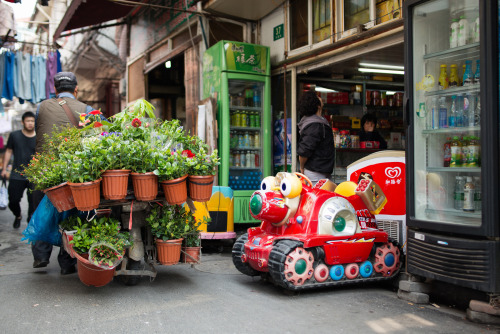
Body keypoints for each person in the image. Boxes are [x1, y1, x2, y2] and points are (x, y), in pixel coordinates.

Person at [32, 71, 94, 274]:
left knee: (44, 211)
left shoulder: (41, 107)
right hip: (73, 170)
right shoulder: (87, 109)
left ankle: (41, 255)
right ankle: (67, 263)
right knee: (73, 214)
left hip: (44, 170)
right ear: (76, 89)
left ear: (55, 90)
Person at [1, 111, 36, 229]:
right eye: (28, 121)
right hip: (17, 174)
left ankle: (30, 218)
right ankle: (18, 215)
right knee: (13, 200)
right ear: (22, 122)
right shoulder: (14, 135)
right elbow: (9, 151)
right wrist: (4, 169)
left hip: (34, 175)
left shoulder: (39, 137)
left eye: (32, 121)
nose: (30, 123)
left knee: (33, 201)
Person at [297, 91, 335, 185]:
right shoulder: (314, 125)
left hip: (322, 172)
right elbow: (304, 152)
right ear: (317, 105)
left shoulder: (319, 121)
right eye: (317, 97)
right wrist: (302, 167)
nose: (320, 98)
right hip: (315, 174)